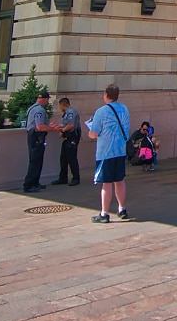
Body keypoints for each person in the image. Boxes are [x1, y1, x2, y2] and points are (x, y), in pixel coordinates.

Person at [86, 85, 131, 223]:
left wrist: (90, 132)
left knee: (106, 183)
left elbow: (94, 133)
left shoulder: (101, 111)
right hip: (120, 150)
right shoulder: (124, 109)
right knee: (120, 180)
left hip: (106, 152)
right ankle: (122, 208)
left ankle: (104, 213)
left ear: (106, 94)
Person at [22, 90, 53, 193]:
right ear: (44, 99)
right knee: (35, 161)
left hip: (34, 136)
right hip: (37, 136)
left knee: (38, 160)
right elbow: (40, 126)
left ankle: (35, 182)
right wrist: (53, 129)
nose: (48, 102)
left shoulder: (32, 108)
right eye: (47, 99)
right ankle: (29, 185)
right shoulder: (39, 110)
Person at [53, 97, 81, 186]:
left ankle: (76, 178)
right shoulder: (67, 113)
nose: (60, 108)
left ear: (63, 105)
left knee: (72, 158)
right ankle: (63, 178)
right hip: (67, 138)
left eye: (60, 106)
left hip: (72, 137)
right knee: (63, 158)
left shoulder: (71, 112)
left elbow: (71, 125)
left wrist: (62, 131)